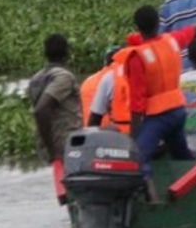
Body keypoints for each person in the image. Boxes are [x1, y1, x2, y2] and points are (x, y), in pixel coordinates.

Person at [124, 6, 196, 192]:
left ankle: (153, 203)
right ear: (159, 24)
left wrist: (134, 138)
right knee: (181, 154)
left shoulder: (137, 57)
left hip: (158, 116)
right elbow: (189, 32)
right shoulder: (171, 41)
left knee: (139, 158)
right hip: (178, 111)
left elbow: (137, 102)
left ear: (137, 27)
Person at [27, 34, 82, 164]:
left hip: (48, 143)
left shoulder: (36, 79)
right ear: (67, 53)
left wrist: (47, 145)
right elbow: (40, 110)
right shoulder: (63, 77)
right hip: (67, 143)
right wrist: (52, 149)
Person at [83, 46, 131, 133]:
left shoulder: (89, 81)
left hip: (92, 130)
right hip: (128, 132)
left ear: (105, 63)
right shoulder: (134, 75)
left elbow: (94, 118)